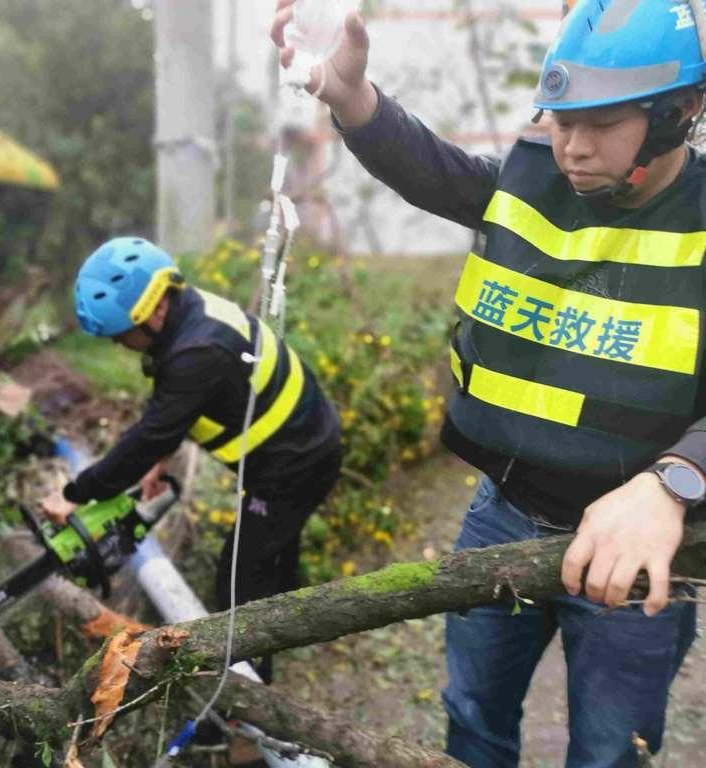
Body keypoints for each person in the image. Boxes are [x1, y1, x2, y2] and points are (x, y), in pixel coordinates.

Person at [272, 0, 701, 765]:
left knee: (610, 750)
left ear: (679, 114)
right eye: (562, 118)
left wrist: (673, 483)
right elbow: (443, 176)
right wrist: (354, 102)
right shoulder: (539, 174)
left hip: (632, 538)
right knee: (472, 720)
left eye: (603, 123)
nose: (572, 146)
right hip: (502, 512)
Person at [40, 237, 341, 678]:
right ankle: (289, 627)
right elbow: (184, 407)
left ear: (152, 311)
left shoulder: (196, 352)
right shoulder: (189, 316)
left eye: (124, 334)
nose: (123, 345)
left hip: (295, 464)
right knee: (273, 556)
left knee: (238, 579)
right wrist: (158, 459)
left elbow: (149, 432)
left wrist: (75, 494)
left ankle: (250, 707)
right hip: (301, 443)